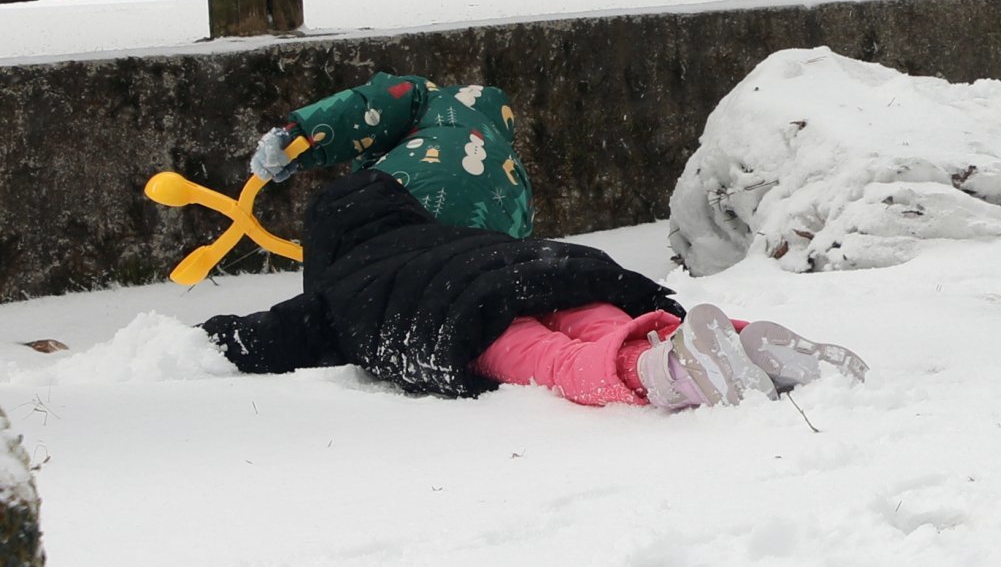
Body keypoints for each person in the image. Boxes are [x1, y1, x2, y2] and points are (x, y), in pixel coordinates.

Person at [201, 168, 867, 410]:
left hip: (466, 320)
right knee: (601, 319)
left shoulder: (338, 288)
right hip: (549, 268)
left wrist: (212, 338)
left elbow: (268, 338)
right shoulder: (449, 233)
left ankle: (664, 371)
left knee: (556, 359)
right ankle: (746, 344)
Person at [249, 73, 532, 239]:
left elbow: (372, 107)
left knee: (356, 272)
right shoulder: (514, 171)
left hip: (409, 192)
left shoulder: (432, 102)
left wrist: (301, 136)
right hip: (480, 247)